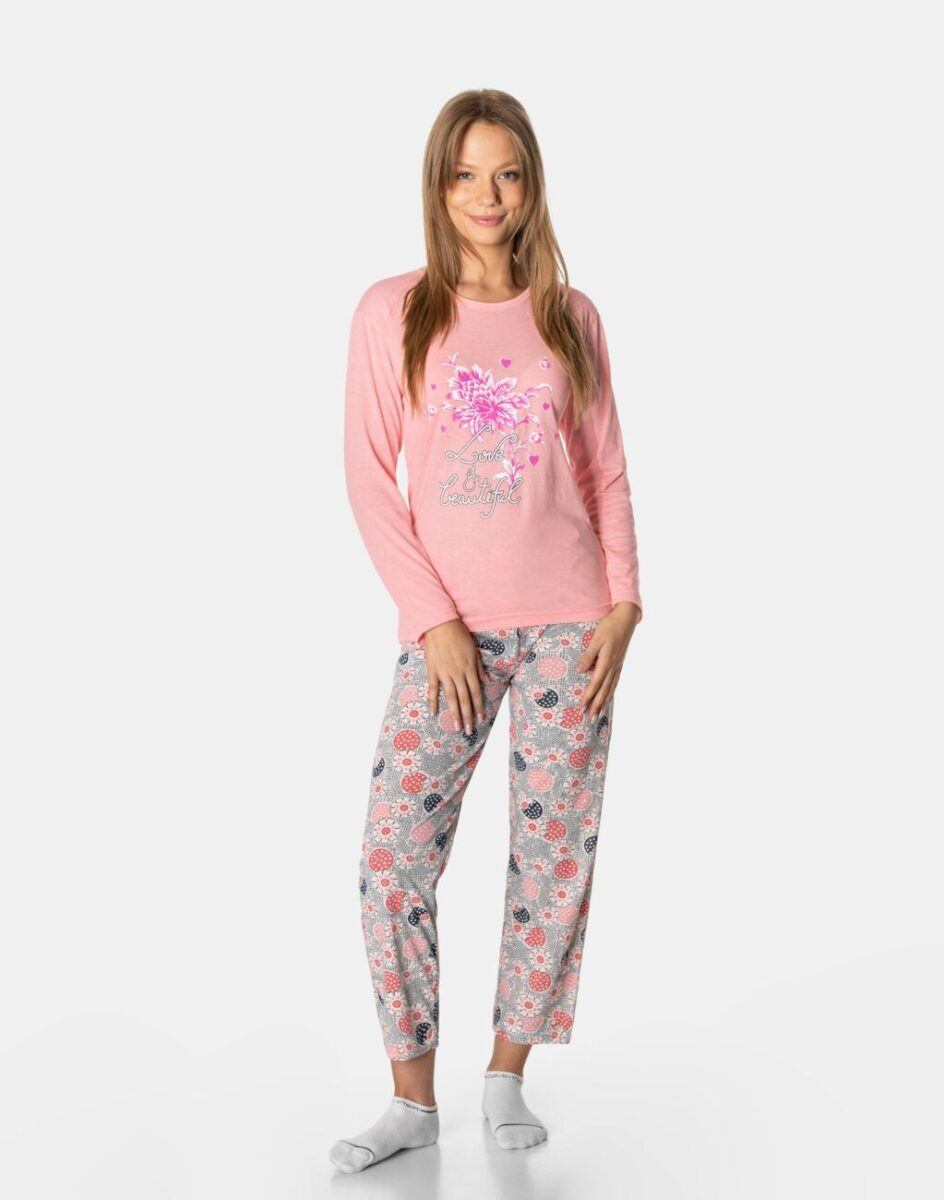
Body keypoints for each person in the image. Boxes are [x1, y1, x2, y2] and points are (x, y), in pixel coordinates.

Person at [330, 88, 644, 1173]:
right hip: (450, 635)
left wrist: (625, 602)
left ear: (530, 185)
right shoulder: (394, 311)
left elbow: (604, 471)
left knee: (552, 858)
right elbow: (368, 480)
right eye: (465, 173)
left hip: (570, 625)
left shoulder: (570, 316)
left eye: (506, 173)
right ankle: (411, 1100)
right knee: (392, 857)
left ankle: (507, 1073)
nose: (486, 195)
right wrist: (434, 622)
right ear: (438, 183)